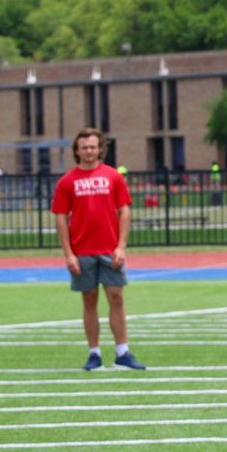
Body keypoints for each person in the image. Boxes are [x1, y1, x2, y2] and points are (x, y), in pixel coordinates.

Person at [52, 127, 147, 371]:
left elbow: (124, 210)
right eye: (84, 147)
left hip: (110, 250)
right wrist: (68, 253)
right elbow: (61, 217)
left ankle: (122, 353)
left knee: (117, 298)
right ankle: (94, 355)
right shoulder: (67, 181)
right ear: (77, 150)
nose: (89, 151)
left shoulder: (114, 176)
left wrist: (121, 246)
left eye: (93, 146)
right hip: (82, 252)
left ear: (100, 149)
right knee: (89, 301)